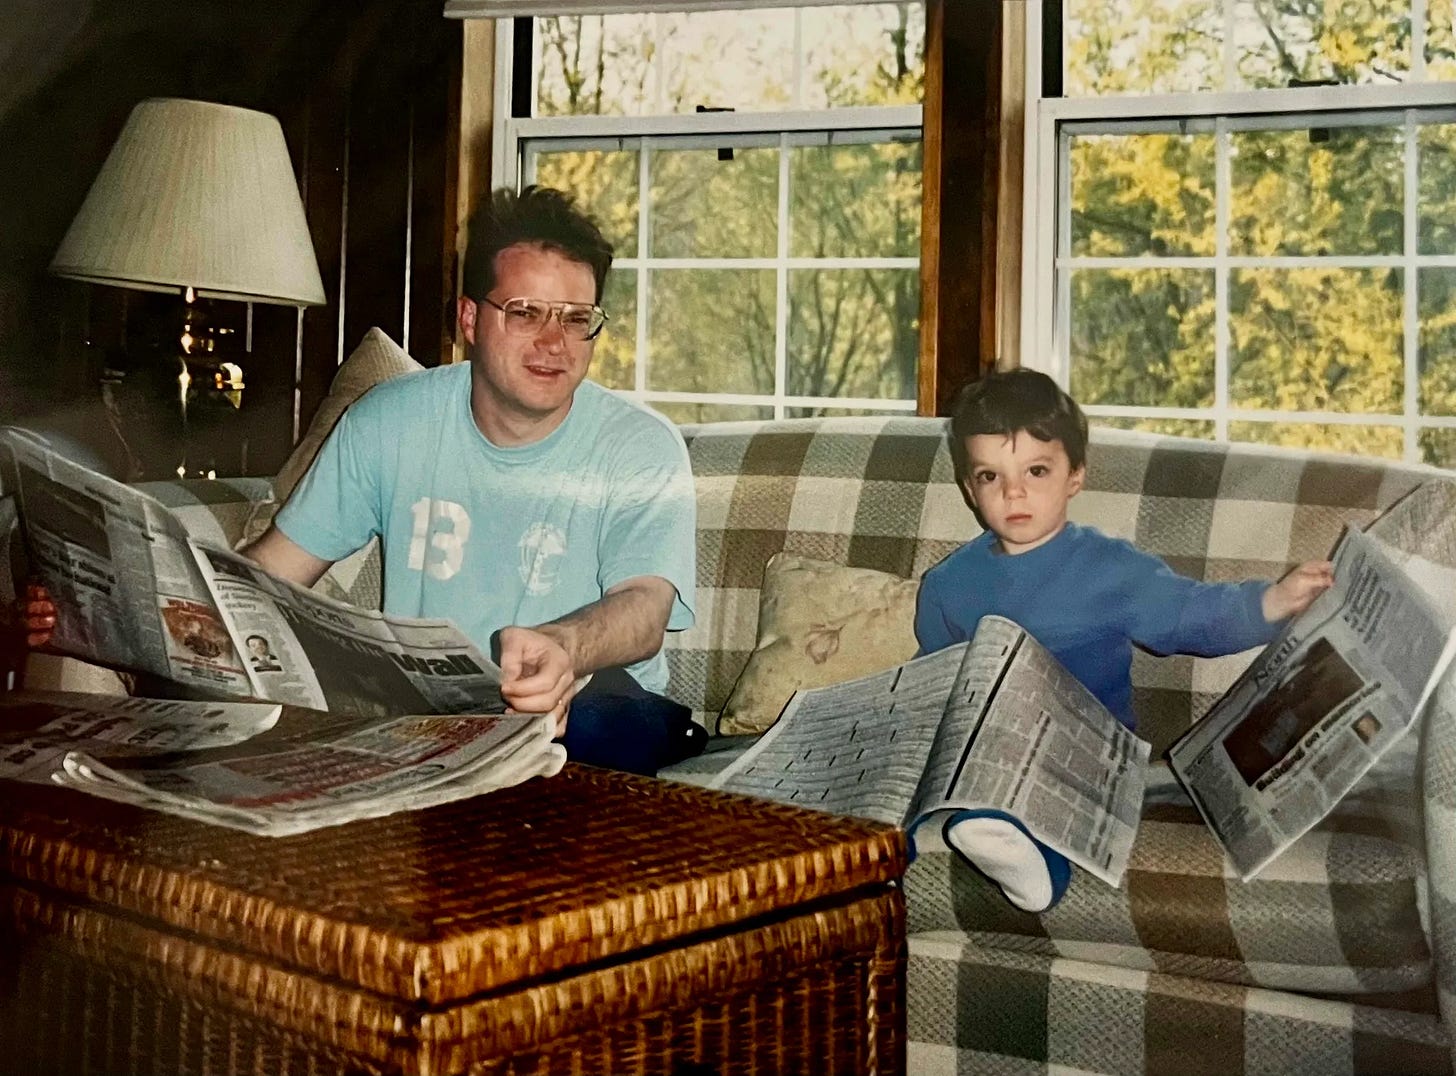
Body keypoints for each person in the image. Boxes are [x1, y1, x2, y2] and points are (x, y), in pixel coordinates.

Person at [21, 185, 706, 776]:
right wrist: (96, 614)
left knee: (582, 729)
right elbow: (270, 576)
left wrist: (565, 645)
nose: (554, 343)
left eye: (576, 319)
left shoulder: (640, 445)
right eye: (526, 312)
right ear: (470, 319)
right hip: (435, 719)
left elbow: (645, 608)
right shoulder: (391, 419)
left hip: (597, 708)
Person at [917, 368, 1334, 913]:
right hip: (988, 748)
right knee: (910, 785)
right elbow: (932, 674)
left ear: (1075, 476)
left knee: (1028, 804)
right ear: (970, 489)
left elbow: (1189, 613)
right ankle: (877, 858)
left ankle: (1036, 865)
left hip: (1087, 752)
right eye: (990, 476)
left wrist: (1272, 602)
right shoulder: (949, 583)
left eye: (1036, 470)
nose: (1013, 492)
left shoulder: (1110, 568)